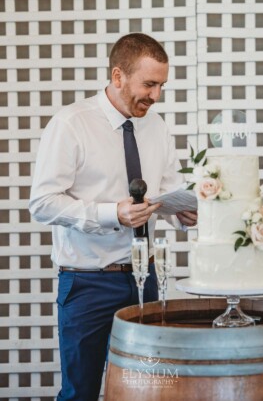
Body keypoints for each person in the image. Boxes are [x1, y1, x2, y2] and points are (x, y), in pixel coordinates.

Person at [29, 33, 197, 400]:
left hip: (145, 279)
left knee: (146, 390)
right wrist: (112, 214)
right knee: (81, 393)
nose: (156, 96)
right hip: (87, 283)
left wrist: (182, 213)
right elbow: (42, 202)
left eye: (161, 86)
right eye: (149, 84)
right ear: (118, 76)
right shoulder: (70, 124)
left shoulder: (158, 126)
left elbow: (167, 189)